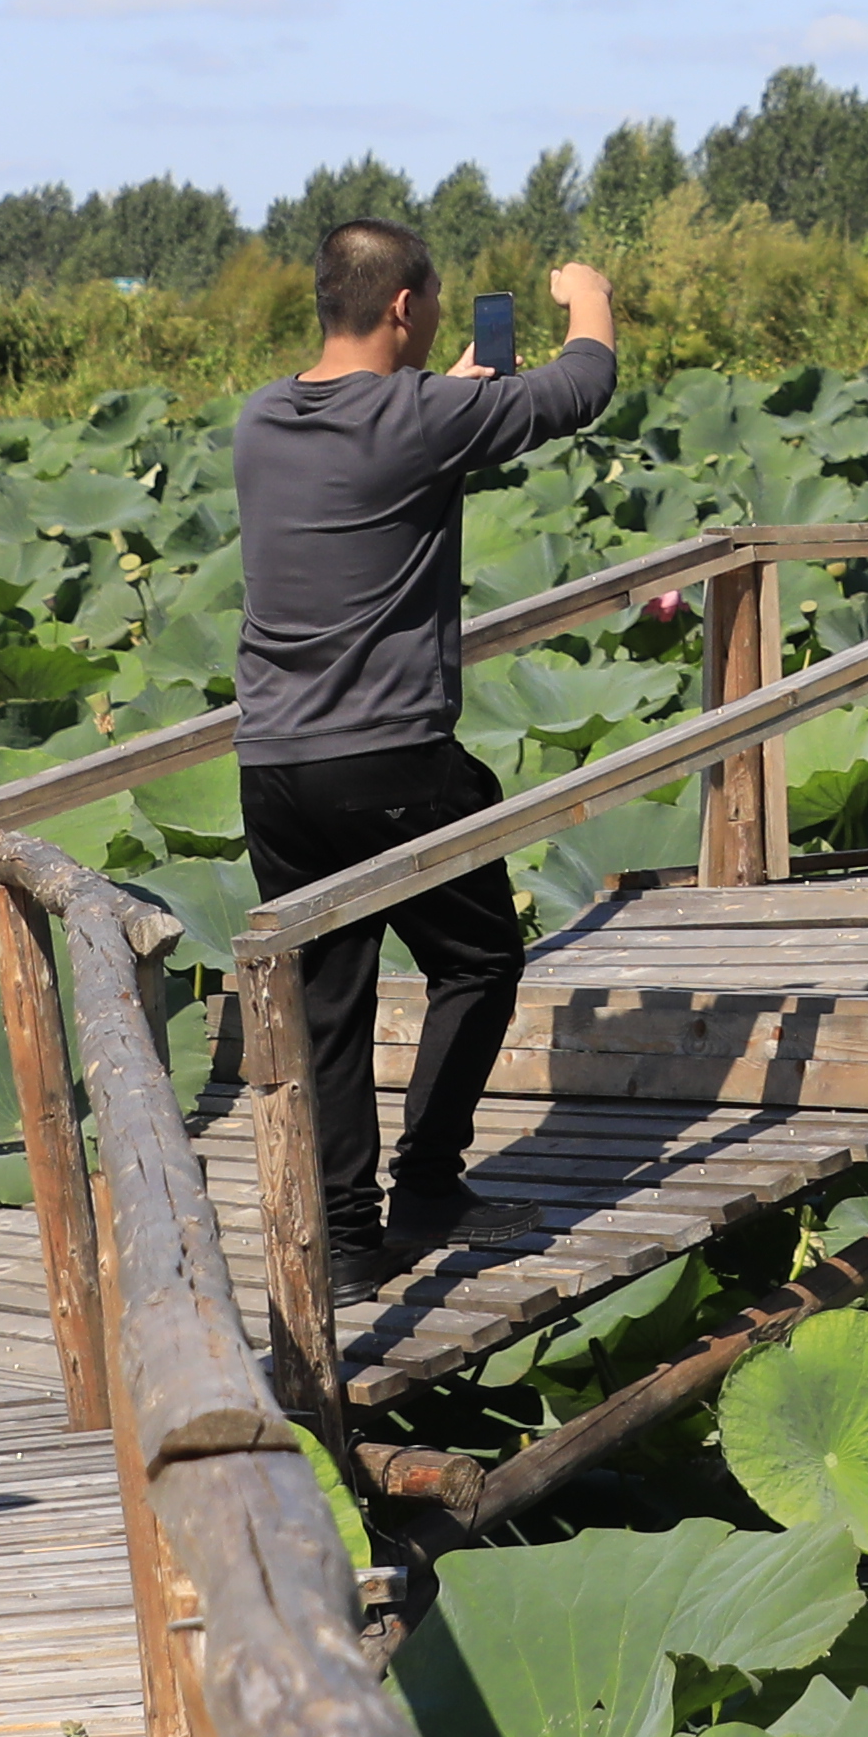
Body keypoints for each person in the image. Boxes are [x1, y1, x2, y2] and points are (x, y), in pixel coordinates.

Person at [234, 224, 623, 1302]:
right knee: (481, 956)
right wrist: (585, 294)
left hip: (272, 767)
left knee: (332, 1000)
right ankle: (432, 1181)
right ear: (404, 307)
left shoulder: (263, 419)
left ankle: (351, 1244)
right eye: (435, 302)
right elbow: (582, 384)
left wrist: (443, 394)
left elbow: (377, 429)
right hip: (389, 761)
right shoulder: (422, 416)